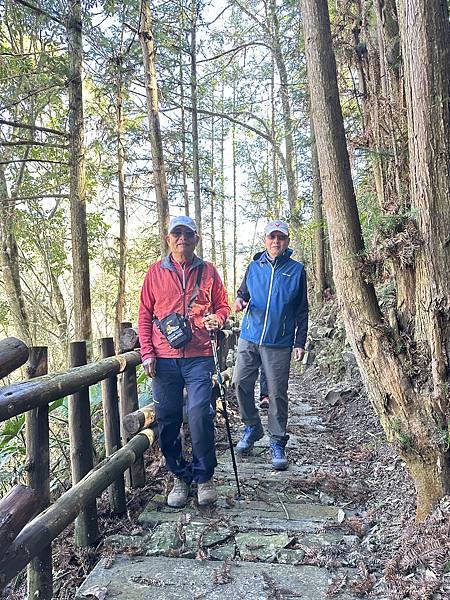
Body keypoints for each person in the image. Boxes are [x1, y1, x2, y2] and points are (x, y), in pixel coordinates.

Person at [138, 215, 230, 507]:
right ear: (168, 239)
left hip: (200, 356)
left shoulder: (209, 272)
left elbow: (223, 305)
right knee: (167, 419)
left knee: (200, 414)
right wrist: (147, 353)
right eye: (176, 233)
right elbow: (144, 315)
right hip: (164, 360)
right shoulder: (154, 273)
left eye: (187, 234)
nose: (182, 239)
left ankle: (204, 478)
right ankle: (179, 476)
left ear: (196, 239)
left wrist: (220, 317)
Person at [233, 220, 308, 470]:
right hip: (250, 334)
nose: (276, 241)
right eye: (271, 237)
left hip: (279, 340)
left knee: (276, 393)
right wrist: (239, 301)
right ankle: (252, 426)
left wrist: (300, 341)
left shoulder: (296, 270)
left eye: (281, 238)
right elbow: (242, 293)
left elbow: (302, 310)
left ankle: (277, 440)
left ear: (287, 242)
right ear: (265, 240)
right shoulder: (254, 266)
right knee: (240, 381)